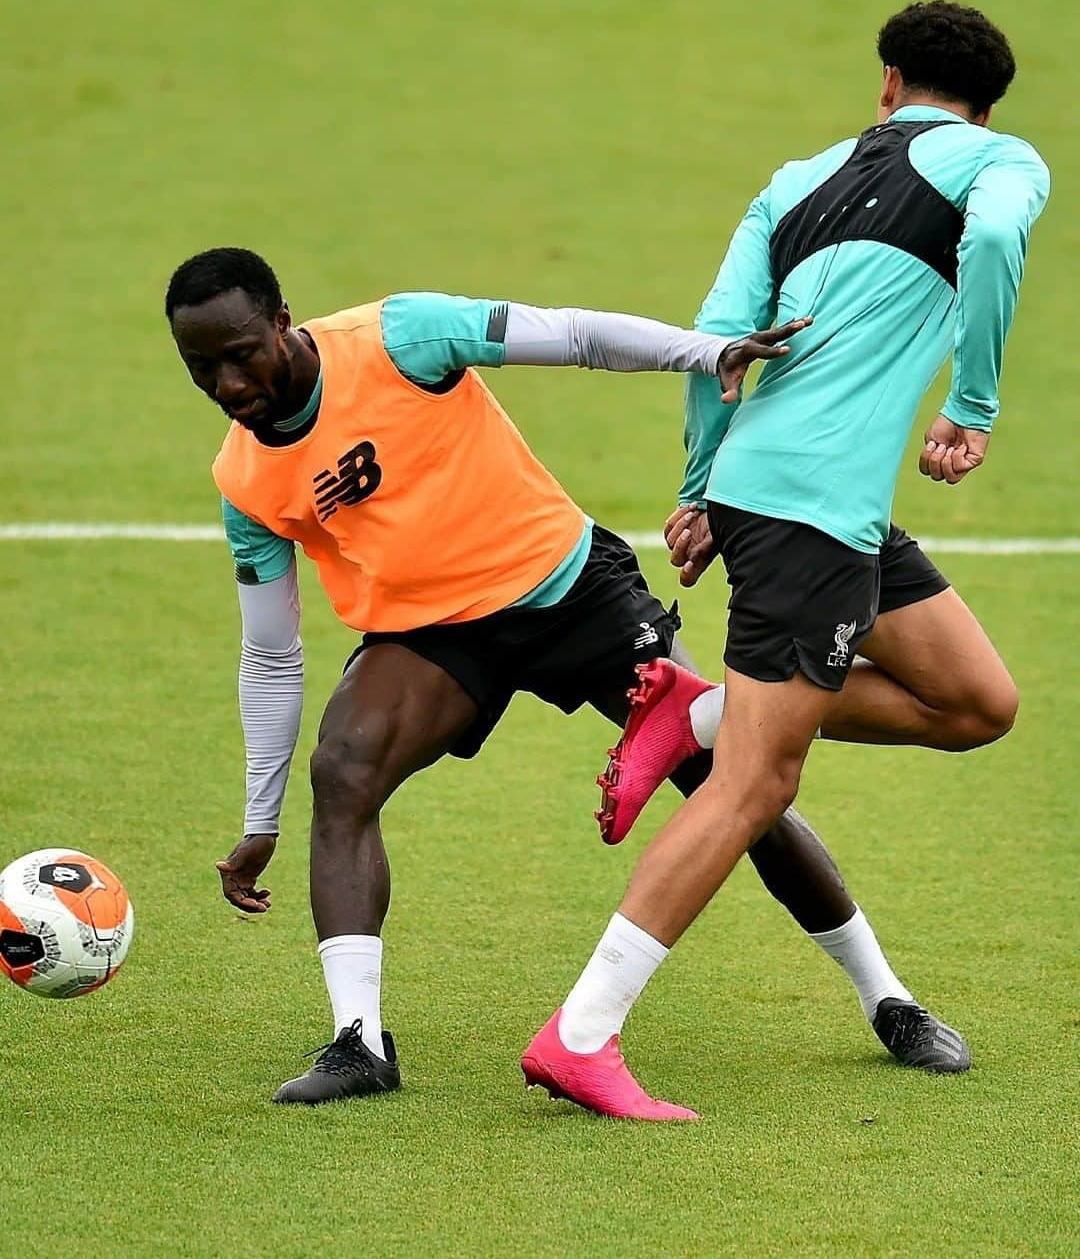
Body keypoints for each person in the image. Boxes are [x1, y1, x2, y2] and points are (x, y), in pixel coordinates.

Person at [167, 247, 958, 1108]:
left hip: (567, 586)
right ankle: (359, 1042)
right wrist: (258, 815)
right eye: (201, 366)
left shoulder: (399, 338)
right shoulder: (243, 480)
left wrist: (706, 351)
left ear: (283, 321)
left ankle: (888, 998)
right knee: (344, 768)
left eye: (241, 352)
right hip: (430, 635)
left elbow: (574, 335)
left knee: (735, 779)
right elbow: (273, 653)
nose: (227, 382)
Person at [523, 0, 1050, 1119]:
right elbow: (998, 241)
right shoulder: (1002, 161)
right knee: (759, 786)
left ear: (889, 83)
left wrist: (699, 489)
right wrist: (974, 403)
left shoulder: (792, 181)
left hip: (810, 502)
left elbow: (715, 341)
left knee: (976, 700)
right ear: (986, 103)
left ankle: (694, 715)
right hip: (811, 515)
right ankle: (582, 1035)